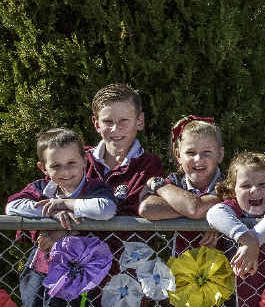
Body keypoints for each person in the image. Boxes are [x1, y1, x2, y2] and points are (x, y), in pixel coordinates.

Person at [7, 128, 116, 307]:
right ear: (43, 168)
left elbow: (107, 209)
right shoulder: (40, 188)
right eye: (56, 166)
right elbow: (12, 206)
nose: (65, 171)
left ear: (84, 161)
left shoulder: (95, 188)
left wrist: (64, 204)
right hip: (42, 267)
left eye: (71, 163)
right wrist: (52, 212)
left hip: (81, 272)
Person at [206, 152, 265, 304]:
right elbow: (214, 213)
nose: (254, 190)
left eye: (263, 184)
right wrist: (247, 240)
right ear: (233, 190)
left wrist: (254, 241)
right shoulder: (234, 208)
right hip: (237, 293)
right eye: (246, 186)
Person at [138, 115, 224, 251]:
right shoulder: (174, 181)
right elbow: (147, 208)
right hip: (181, 265)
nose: (198, 159)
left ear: (220, 154)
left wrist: (157, 184)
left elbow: (195, 209)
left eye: (207, 152)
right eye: (190, 152)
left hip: (223, 266)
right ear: (178, 155)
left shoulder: (226, 184)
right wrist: (199, 212)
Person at [84, 83, 164, 215]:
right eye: (108, 122)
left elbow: (132, 211)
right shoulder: (79, 159)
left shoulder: (149, 165)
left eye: (124, 120)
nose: (115, 128)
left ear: (139, 121)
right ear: (96, 124)